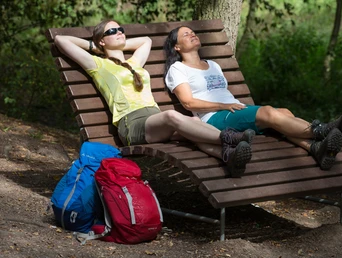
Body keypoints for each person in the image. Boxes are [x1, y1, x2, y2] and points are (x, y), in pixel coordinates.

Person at [53, 19, 255, 178]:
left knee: (192, 125)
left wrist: (116, 44)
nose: (119, 32)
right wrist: (97, 46)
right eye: (112, 31)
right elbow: (62, 40)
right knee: (172, 117)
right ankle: (230, 138)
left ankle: (227, 156)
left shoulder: (135, 63)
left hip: (155, 121)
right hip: (132, 124)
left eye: (120, 29)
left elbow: (146, 40)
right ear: (102, 41)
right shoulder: (98, 65)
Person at [163, 26, 342, 171]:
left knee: (284, 113)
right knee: (268, 112)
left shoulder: (213, 65)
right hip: (213, 118)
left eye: (193, 32)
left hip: (233, 110)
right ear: (177, 47)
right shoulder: (178, 69)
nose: (192, 34)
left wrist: (230, 106)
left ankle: (315, 148)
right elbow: (188, 102)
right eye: (186, 34)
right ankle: (320, 131)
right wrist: (223, 105)